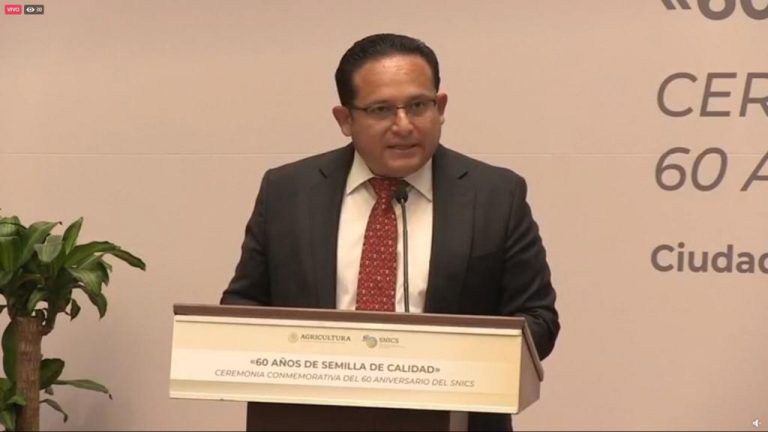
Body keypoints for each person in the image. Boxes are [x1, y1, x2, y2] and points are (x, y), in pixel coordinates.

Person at [221, 33, 559, 431]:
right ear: (345, 120)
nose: (404, 125)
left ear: (440, 108)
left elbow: (538, 320)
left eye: (418, 106)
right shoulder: (288, 192)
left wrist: (452, 363)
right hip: (310, 418)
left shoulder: (496, 195)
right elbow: (242, 306)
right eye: (381, 110)